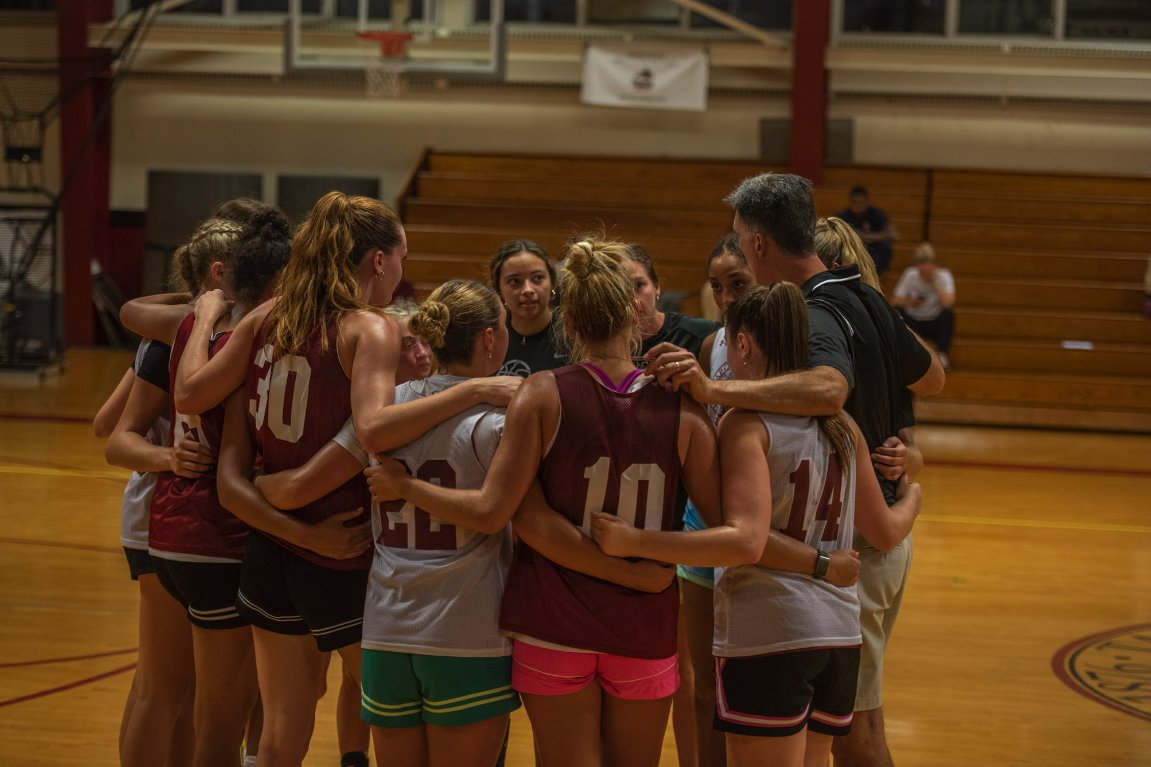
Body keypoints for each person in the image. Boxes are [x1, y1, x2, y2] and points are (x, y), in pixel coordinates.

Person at [173, 191, 520, 765]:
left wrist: (203, 316)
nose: (401, 274)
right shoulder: (368, 327)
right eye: (401, 259)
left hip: (269, 547)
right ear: (378, 261)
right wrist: (477, 389)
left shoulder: (265, 317)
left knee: (280, 732)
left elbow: (189, 394)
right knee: (391, 710)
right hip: (342, 545)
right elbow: (374, 428)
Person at [367, 236, 724, 767]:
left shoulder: (539, 393)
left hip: (550, 622)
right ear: (635, 312)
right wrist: (642, 564)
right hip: (643, 624)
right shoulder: (685, 410)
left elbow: (525, 518)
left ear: (569, 322)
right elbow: (722, 530)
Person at [648, 172, 945, 767]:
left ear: (758, 243)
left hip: (844, 546)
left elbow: (831, 387)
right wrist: (901, 456)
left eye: (739, 240)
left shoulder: (819, 308)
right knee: (846, 731)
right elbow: (933, 375)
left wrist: (713, 389)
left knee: (858, 737)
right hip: (869, 529)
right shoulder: (865, 295)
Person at [591, 281, 922, 767]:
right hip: (839, 637)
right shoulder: (844, 425)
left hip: (771, 631)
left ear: (742, 344)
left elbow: (743, 540)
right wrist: (914, 492)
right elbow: (888, 532)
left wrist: (636, 540)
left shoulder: (747, 425)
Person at [146, 211, 289, 767]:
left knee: (203, 703)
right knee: (220, 717)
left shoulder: (194, 327)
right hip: (216, 534)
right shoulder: (246, 344)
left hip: (172, 531)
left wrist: (204, 306)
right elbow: (192, 399)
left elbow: (139, 314)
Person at [103, 221, 242, 767]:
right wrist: (168, 457)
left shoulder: (197, 330)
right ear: (218, 272)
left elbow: (102, 422)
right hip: (161, 516)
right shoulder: (175, 337)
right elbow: (114, 437)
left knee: (172, 692)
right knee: (163, 690)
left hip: (181, 515)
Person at [626, 243, 721, 362]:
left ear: (657, 287)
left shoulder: (705, 335)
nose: (633, 300)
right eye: (620, 289)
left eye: (638, 285)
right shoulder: (602, 344)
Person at [489, 239, 568, 377]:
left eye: (537, 278)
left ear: (552, 283)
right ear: (499, 290)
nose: (527, 290)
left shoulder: (573, 333)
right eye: (514, 281)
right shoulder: (488, 337)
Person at [892, 242, 956, 372]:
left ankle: (942, 354)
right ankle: (904, 356)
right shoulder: (910, 275)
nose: (924, 272)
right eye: (921, 268)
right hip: (914, 320)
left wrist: (936, 283)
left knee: (948, 314)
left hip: (934, 321)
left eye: (927, 267)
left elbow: (948, 303)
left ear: (934, 265)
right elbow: (895, 300)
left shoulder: (943, 276)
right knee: (897, 312)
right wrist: (910, 302)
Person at [837, 185, 897, 276]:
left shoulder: (877, 214)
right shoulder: (843, 216)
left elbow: (893, 234)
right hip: (852, 250)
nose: (858, 206)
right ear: (851, 202)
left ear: (867, 201)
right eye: (856, 203)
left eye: (861, 203)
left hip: (873, 251)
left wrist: (870, 237)